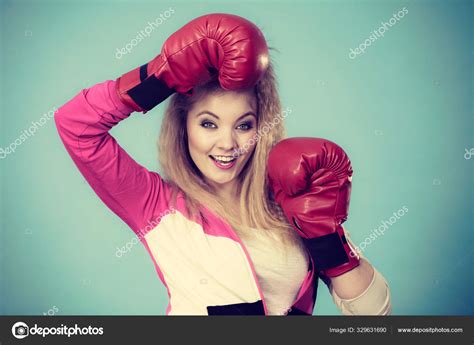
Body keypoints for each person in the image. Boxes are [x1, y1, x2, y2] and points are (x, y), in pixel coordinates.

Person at [55, 13, 391, 315]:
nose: (228, 143)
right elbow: (75, 124)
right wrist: (160, 76)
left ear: (261, 128)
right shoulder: (153, 204)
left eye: (244, 125)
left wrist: (326, 236)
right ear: (183, 126)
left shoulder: (293, 199)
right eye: (208, 123)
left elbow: (374, 317)